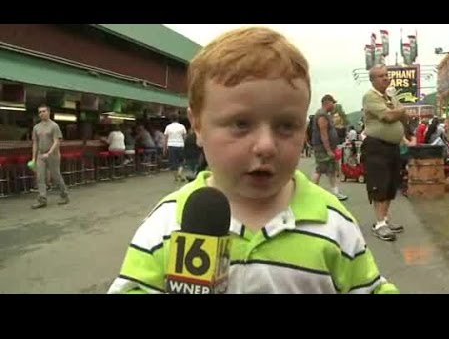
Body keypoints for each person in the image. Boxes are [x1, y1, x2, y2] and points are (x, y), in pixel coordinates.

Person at [108, 27, 398, 294]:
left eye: (286, 126)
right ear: (197, 125)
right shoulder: (168, 222)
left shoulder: (333, 222)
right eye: (241, 124)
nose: (266, 146)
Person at [362, 64, 407, 241]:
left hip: (392, 147)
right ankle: (379, 224)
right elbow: (387, 117)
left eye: (387, 75)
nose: (386, 78)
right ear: (373, 80)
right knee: (380, 184)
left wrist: (399, 111)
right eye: (381, 76)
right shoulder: (370, 96)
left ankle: (385, 220)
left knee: (390, 184)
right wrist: (400, 111)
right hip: (376, 146)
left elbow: (402, 116)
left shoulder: (390, 95)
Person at [31, 104, 69, 209]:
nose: (42, 113)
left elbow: (57, 141)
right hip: (40, 154)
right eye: (40, 112)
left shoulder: (54, 126)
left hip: (53, 155)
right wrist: (33, 158)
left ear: (48, 112)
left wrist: (49, 153)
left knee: (56, 176)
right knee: (40, 177)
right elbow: (35, 143)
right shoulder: (36, 127)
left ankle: (64, 195)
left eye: (44, 111)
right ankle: (42, 199)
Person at [310, 95, 348, 201]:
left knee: (331, 170)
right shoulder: (322, 115)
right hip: (322, 148)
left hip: (327, 147)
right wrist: (328, 150)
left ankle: (335, 192)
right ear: (327, 102)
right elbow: (323, 133)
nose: (334, 105)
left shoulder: (325, 114)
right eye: (333, 102)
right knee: (320, 169)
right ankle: (311, 193)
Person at [163, 114, 187, 181]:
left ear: (171, 119)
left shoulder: (168, 127)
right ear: (178, 119)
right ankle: (179, 172)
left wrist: (164, 148)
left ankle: (176, 177)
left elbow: (165, 138)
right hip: (180, 145)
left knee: (173, 162)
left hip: (171, 145)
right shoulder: (182, 126)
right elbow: (185, 137)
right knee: (182, 160)